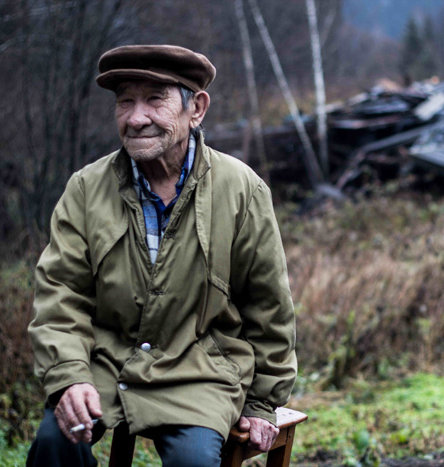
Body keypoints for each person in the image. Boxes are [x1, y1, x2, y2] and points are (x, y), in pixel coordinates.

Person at [26, 44, 297, 467]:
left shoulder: (241, 188)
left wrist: (262, 402)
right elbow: (60, 294)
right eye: (125, 102)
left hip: (200, 370)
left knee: (193, 462)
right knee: (54, 444)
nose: (136, 118)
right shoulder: (86, 188)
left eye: (155, 99)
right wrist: (69, 377)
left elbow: (269, 305)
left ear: (197, 108)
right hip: (107, 361)